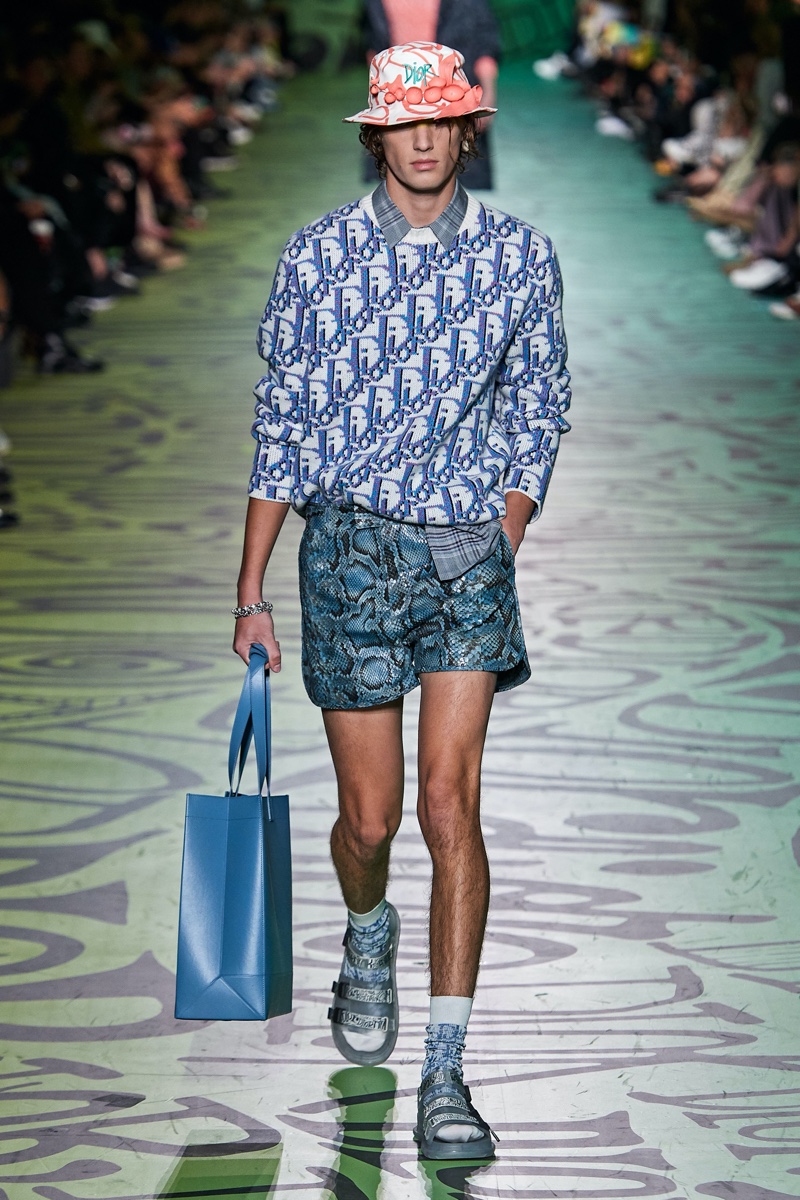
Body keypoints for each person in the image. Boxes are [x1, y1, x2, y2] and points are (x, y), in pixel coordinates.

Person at [232, 40, 571, 1161]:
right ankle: (366, 928)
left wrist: (504, 529)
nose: (423, 140)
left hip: (466, 557)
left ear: (465, 131)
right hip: (348, 555)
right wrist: (251, 592)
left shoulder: (521, 257)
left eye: (440, 121)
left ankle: (445, 1072)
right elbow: (283, 421)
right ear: (378, 134)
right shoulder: (317, 256)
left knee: (447, 807)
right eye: (402, 123)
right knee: (370, 823)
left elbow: (539, 402)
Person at [362, 0, 500, 187]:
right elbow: (375, 43)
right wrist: (377, 92)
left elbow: (483, 39)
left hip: (452, 99)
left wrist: (488, 92)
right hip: (400, 102)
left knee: (460, 174)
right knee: (397, 180)